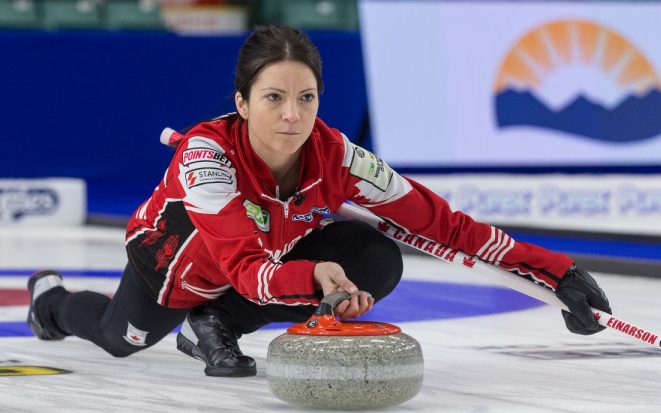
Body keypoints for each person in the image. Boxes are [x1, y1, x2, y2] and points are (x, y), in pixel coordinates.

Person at [27, 25, 611, 377]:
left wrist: (556, 271)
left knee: (376, 256)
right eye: (274, 97)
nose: (292, 115)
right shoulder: (207, 159)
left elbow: (445, 225)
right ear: (243, 100)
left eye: (306, 98)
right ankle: (50, 304)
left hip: (262, 263)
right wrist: (313, 277)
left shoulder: (338, 155)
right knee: (119, 340)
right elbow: (245, 268)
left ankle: (214, 324)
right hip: (175, 268)